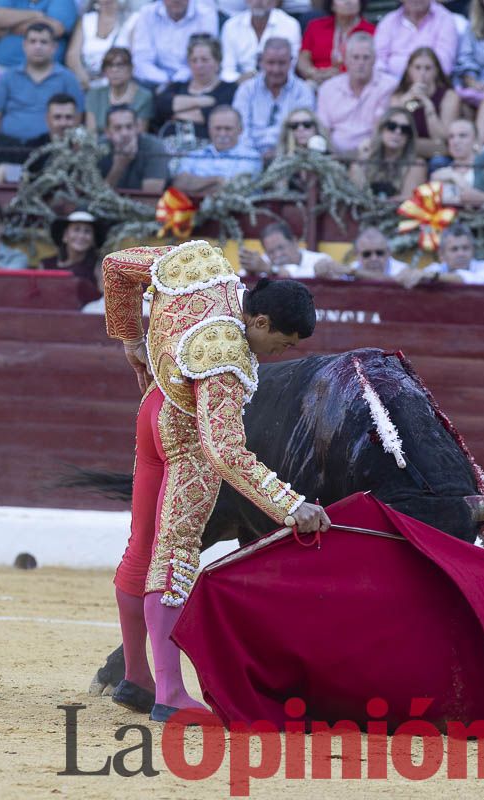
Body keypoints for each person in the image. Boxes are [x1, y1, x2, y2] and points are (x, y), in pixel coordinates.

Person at [101, 242, 329, 723]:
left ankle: (136, 678)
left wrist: (129, 339)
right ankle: (169, 695)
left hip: (152, 410)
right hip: (184, 439)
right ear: (261, 323)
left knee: (141, 546)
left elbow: (117, 266)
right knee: (177, 551)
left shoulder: (205, 265)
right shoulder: (225, 357)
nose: (282, 354)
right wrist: (291, 505)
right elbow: (223, 451)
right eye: (284, 344)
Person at [0, 22, 84, 144]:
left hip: (52, 148)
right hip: (10, 146)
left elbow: (77, 117)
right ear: (24, 45)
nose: (38, 46)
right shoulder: (7, 77)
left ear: (54, 47)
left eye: (43, 42)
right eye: (33, 41)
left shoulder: (68, 79)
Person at [316, 32, 398, 157]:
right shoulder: (328, 88)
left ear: (374, 60)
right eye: (355, 57)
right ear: (346, 60)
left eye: (366, 57)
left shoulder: (390, 86)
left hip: (375, 155)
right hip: (334, 156)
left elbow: (384, 130)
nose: (361, 63)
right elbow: (323, 129)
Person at [232, 38, 314, 158]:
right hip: (248, 155)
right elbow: (239, 128)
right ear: (261, 62)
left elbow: (303, 130)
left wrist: (281, 152)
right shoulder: (247, 89)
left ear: (291, 62)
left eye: (281, 63)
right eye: (271, 63)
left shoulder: (303, 91)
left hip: (290, 155)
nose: (276, 69)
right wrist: (253, 156)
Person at [152, 35, 236, 141]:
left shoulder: (229, 89)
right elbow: (161, 106)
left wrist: (176, 113)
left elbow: (213, 118)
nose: (199, 65)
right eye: (194, 60)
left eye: (204, 60)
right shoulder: (177, 86)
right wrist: (202, 101)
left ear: (217, 62)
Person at [389, 46, 460, 160]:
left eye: (428, 68)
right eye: (417, 68)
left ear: (436, 71)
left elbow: (442, 139)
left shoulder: (449, 96)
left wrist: (428, 105)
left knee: (439, 159)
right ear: (409, 70)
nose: (422, 73)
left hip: (436, 154)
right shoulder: (398, 96)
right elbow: (390, 131)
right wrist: (406, 101)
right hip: (404, 153)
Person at [171, 105, 263, 193]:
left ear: (240, 130)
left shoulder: (251, 157)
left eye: (228, 129)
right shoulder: (194, 155)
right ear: (209, 129)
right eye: (217, 128)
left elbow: (234, 190)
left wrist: (195, 186)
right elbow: (179, 184)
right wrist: (216, 179)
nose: (222, 133)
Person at [129, 0, 218, 88]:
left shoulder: (206, 13)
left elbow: (206, 58)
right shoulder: (147, 13)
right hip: (154, 83)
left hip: (193, 80)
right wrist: (166, 81)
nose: (176, 1)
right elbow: (141, 60)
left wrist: (176, 82)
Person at [351, 107, 427, 201]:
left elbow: (407, 201)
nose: (398, 132)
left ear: (409, 137)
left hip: (396, 215)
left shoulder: (416, 165)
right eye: (392, 126)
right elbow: (354, 196)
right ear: (381, 129)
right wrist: (361, 164)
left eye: (405, 129)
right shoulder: (366, 158)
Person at [373, 0, 459, 82]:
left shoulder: (445, 19)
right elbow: (378, 60)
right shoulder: (388, 21)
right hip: (391, 89)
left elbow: (444, 64)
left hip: (432, 86)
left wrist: (419, 79)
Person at [296, 0, 375, 88]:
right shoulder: (315, 27)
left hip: (355, 84)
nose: (348, 2)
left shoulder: (371, 31)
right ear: (332, 4)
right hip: (317, 81)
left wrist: (341, 77)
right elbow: (303, 59)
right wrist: (314, 73)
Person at [220, 0, 301, 84]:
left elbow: (290, 67)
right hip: (240, 84)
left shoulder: (290, 24)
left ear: (275, 1)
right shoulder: (231, 26)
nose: (258, 1)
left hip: (279, 83)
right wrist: (240, 79)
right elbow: (227, 70)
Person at [66, 0, 139, 90]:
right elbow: (72, 56)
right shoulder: (86, 20)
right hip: (87, 84)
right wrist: (86, 81)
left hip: (120, 84)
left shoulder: (133, 20)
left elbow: (136, 58)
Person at [400, 224, 484, 286]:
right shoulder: (435, 269)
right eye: (454, 249)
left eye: (465, 248)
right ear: (442, 255)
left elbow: (467, 280)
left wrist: (432, 276)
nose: (461, 254)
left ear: (473, 251)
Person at [0, 0, 77, 69]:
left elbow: (55, 28)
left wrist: (9, 27)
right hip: (1, 68)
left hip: (44, 74)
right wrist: (37, 14)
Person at [238, 220, 345, 278]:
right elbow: (239, 278)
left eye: (281, 248)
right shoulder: (262, 262)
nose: (277, 255)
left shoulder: (319, 260)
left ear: (294, 242)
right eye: (271, 252)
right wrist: (249, 271)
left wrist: (270, 270)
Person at [99, 103, 168, 192]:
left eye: (129, 127)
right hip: (107, 204)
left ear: (137, 127)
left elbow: (151, 197)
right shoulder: (97, 149)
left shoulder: (154, 147)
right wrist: (118, 167)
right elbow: (93, 197)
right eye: (117, 128)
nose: (125, 133)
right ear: (107, 132)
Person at [83, 47, 152, 134]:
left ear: (131, 69)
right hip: (100, 146)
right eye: (109, 65)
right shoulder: (94, 94)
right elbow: (91, 133)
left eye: (120, 65)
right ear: (104, 71)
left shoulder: (144, 97)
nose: (114, 70)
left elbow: (140, 134)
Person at [42, 209, 105, 304]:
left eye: (87, 231)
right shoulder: (46, 265)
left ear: (93, 240)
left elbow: (104, 301)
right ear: (65, 236)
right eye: (76, 229)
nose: (81, 236)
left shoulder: (99, 266)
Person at [431, 119, 484, 206]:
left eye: (462, 136)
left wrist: (456, 177)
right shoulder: (440, 173)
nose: (455, 141)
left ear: (475, 140)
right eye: (451, 136)